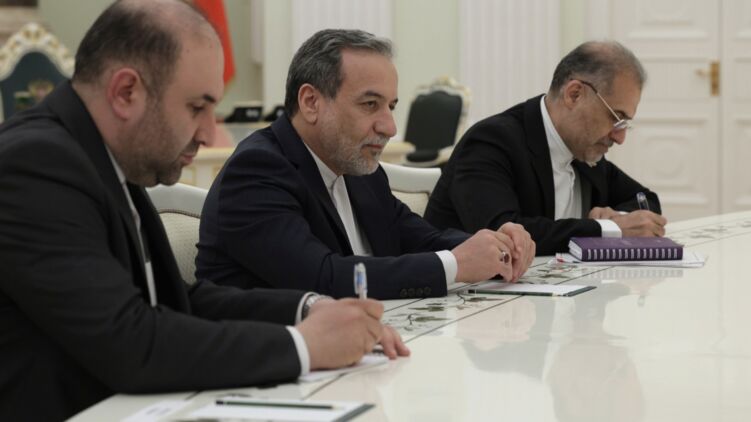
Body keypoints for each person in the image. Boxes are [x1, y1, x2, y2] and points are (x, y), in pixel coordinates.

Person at [0, 2, 408, 420]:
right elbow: (130, 344)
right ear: (125, 92)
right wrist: (305, 346)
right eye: (197, 107)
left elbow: (172, 299)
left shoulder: (102, 156)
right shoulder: (36, 164)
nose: (209, 133)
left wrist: (308, 308)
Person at [196, 29, 535, 300]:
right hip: (280, 358)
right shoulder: (257, 170)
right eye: (370, 104)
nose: (390, 127)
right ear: (311, 102)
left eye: (391, 106)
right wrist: (456, 264)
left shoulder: (358, 168)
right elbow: (323, 277)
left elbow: (422, 239)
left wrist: (495, 246)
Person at [424, 41, 667, 255]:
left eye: (624, 124)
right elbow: (504, 235)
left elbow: (644, 200)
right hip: (470, 291)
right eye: (615, 117)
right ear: (574, 94)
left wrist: (618, 217)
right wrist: (608, 229)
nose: (620, 137)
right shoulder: (491, 141)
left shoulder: (584, 152)